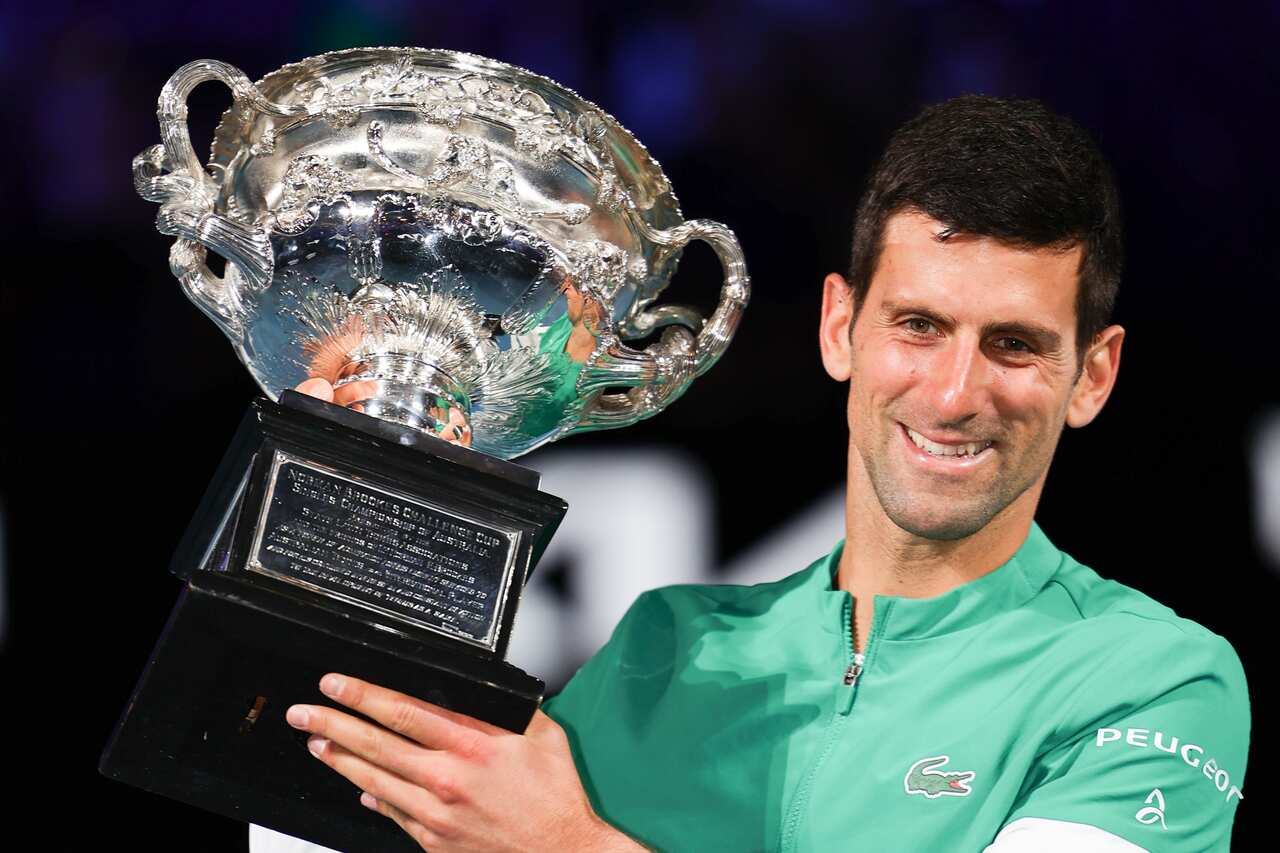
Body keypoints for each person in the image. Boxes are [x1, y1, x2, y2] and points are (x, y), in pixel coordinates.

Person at [265, 95, 1249, 852]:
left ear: (1093, 375)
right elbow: (323, 819)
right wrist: (342, 530)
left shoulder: (1151, 684)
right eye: (917, 325)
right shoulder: (668, 647)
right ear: (838, 327)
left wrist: (573, 845)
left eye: (1013, 345)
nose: (954, 392)